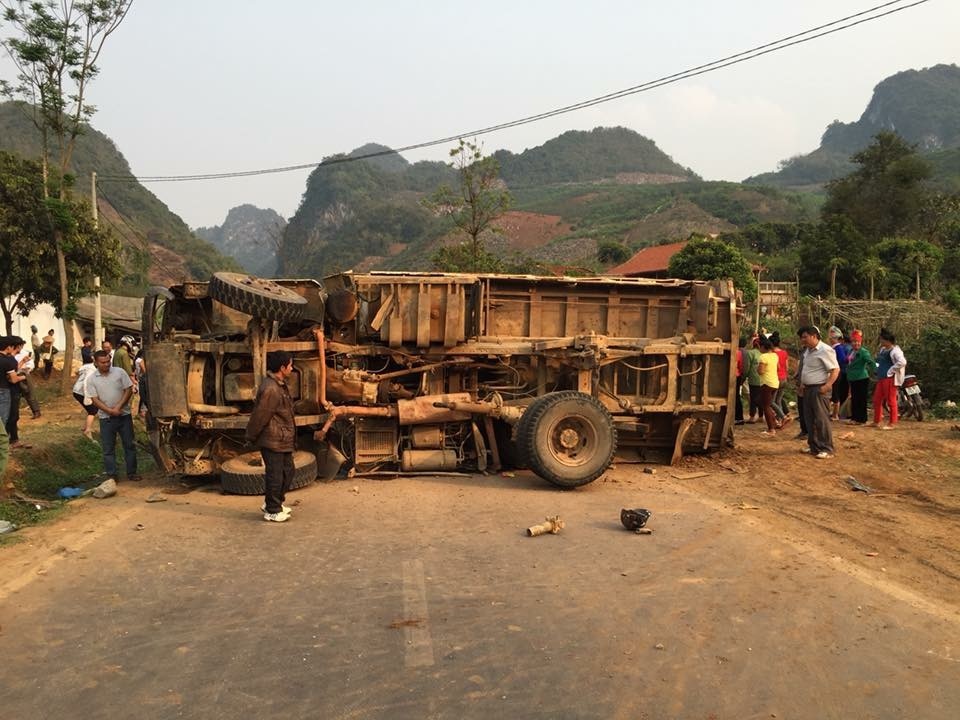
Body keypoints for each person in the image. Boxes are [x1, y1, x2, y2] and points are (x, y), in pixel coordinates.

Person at [246, 351, 297, 523]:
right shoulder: (271, 388)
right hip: (273, 439)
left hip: (281, 438)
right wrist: (251, 436)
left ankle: (274, 503)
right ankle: (272, 510)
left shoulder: (278, 384)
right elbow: (260, 416)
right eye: (290, 365)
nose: (292, 368)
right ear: (282, 368)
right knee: (275, 475)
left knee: (288, 472)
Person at [87, 350, 140, 481]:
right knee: (108, 448)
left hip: (124, 415)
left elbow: (128, 389)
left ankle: (132, 473)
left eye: (108, 361)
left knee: (129, 445)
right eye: (103, 362)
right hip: (106, 418)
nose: (106, 364)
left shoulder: (119, 372)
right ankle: (112, 475)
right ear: (96, 363)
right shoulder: (92, 379)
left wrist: (118, 407)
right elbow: (94, 399)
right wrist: (110, 411)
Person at [797, 325, 839, 459]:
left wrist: (827, 386)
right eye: (801, 338)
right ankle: (814, 446)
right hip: (808, 389)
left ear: (814, 336)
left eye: (805, 337)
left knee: (821, 419)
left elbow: (835, 369)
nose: (802, 340)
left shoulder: (825, 350)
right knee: (810, 419)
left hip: (819, 389)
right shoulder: (807, 351)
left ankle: (827, 448)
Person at [872, 328, 907, 430]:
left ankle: (893, 422)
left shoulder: (895, 351)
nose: (881, 341)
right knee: (877, 399)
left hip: (890, 379)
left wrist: (891, 370)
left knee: (891, 401)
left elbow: (902, 362)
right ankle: (877, 421)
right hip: (881, 378)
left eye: (882, 339)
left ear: (887, 340)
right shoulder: (883, 350)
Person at [5, 337, 32, 449]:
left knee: (12, 416)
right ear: (17, 346)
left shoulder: (10, 359)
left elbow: (13, 370)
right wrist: (23, 377)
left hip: (10, 391)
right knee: (12, 416)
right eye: (21, 345)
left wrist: (22, 362)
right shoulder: (9, 359)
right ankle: (11, 440)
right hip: (11, 391)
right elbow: (12, 378)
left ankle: (13, 439)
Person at [845, 329, 875, 425]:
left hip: (861, 378)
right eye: (854, 342)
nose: (856, 344)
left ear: (860, 342)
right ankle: (854, 418)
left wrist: (875, 372)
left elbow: (870, 362)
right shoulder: (851, 351)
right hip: (852, 378)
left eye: (858, 342)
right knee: (854, 398)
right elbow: (848, 361)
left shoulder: (863, 352)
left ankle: (862, 419)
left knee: (861, 399)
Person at [0, 337, 26, 439]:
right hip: (4, 391)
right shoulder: (8, 361)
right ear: (8, 347)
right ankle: (4, 442)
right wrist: (24, 376)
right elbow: (13, 379)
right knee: (4, 418)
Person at [756, 336, 781, 436]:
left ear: (763, 347)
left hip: (766, 383)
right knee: (767, 403)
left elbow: (761, 371)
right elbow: (778, 368)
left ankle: (771, 429)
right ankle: (774, 422)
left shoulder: (763, 357)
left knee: (765, 406)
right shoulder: (775, 356)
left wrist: (757, 369)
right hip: (775, 383)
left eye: (760, 347)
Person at [72, 352, 99, 440]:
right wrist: (88, 397)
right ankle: (87, 430)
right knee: (93, 410)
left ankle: (85, 427)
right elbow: (86, 383)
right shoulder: (91, 370)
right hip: (81, 391)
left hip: (78, 390)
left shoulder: (89, 367)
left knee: (91, 409)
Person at [827, 326, 850, 420]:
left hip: (837, 372)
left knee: (835, 394)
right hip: (834, 371)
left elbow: (842, 359)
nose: (830, 340)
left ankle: (835, 414)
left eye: (832, 338)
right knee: (832, 393)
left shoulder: (838, 348)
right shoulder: (834, 348)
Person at [14, 337, 41, 419]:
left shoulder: (25, 353)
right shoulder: (11, 354)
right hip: (14, 375)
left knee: (29, 393)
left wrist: (27, 368)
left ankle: (36, 411)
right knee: (15, 396)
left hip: (24, 374)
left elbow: (31, 364)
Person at [745, 336, 763, 423]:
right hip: (763, 380)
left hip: (753, 379)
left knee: (753, 398)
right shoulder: (764, 354)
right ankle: (761, 416)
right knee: (761, 398)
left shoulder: (750, 353)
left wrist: (745, 376)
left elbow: (747, 367)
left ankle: (752, 417)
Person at [734, 338, 746, 425]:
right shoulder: (739, 353)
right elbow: (741, 366)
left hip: (731, 376)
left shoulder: (736, 352)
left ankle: (737, 417)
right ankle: (739, 417)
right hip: (737, 376)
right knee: (736, 396)